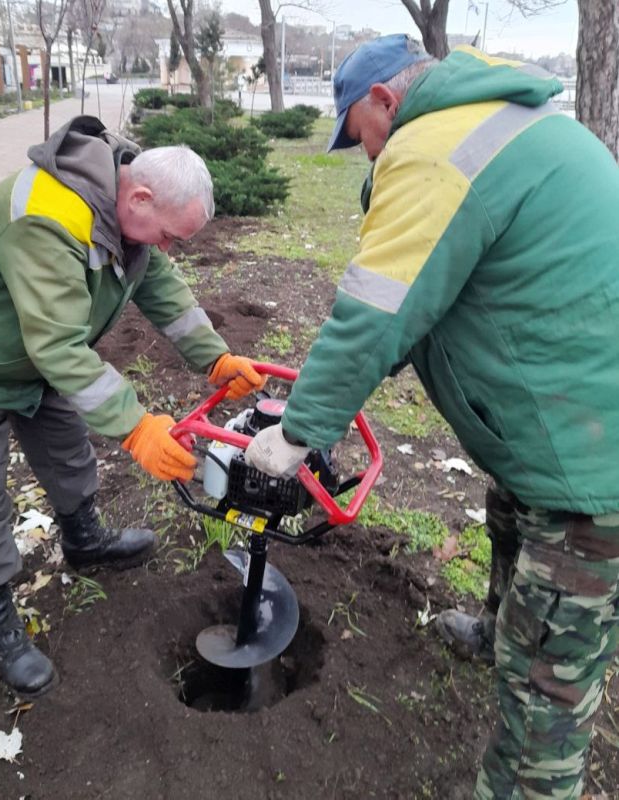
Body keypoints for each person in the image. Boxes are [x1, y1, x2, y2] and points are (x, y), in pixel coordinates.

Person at [245, 34, 619, 799]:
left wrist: (299, 430)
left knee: (547, 678)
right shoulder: (505, 122)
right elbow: (425, 300)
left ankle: (525, 777)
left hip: (593, 455)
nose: (364, 154)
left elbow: (375, 313)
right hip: (566, 406)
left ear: (386, 101)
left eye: (359, 135)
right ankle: (498, 631)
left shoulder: (435, 148)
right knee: (511, 514)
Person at [0, 115, 266, 697]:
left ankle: (84, 540)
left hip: (35, 359)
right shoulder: (46, 214)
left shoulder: (125, 207)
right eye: (169, 235)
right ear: (140, 197)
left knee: (69, 456)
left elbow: (158, 284)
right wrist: (136, 426)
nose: (167, 247)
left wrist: (216, 358)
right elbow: (56, 345)